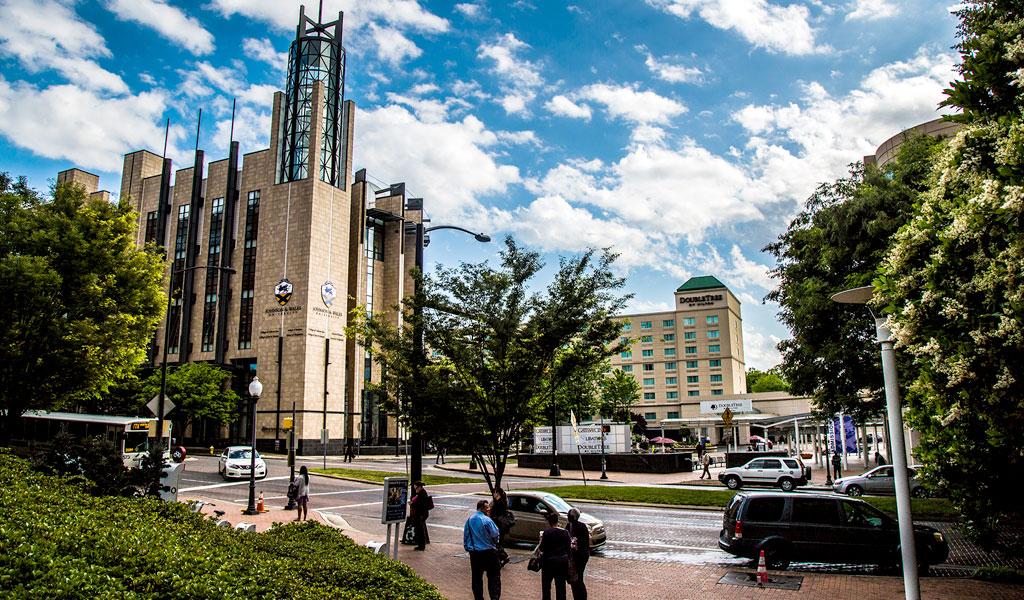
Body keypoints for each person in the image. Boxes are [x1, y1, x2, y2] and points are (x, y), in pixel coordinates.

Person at [464, 499, 501, 600]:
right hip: (489, 553)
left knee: (476, 578)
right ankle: (494, 597)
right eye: (487, 508)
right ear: (481, 508)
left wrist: (468, 548)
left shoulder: (469, 520)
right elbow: (495, 534)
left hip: (475, 553)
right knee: (494, 577)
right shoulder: (487, 520)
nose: (488, 509)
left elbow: (466, 536)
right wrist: (494, 543)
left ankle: (478, 597)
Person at [538, 511, 571, 600]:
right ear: (557, 521)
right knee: (561, 587)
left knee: (546, 586)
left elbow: (542, 548)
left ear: (549, 522)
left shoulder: (547, 532)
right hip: (561, 562)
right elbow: (569, 548)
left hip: (548, 562)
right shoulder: (565, 533)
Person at [566, 508, 590, 600]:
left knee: (576, 578)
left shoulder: (573, 527)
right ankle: (580, 596)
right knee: (578, 578)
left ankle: (579, 597)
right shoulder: (580, 526)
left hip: (577, 557)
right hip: (580, 556)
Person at [409, 480, 432, 550]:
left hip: (420, 515)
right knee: (420, 530)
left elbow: (419, 505)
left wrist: (412, 504)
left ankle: (421, 545)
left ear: (419, 487)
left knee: (420, 530)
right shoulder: (422, 493)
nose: (416, 490)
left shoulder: (422, 494)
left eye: (416, 488)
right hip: (421, 514)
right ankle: (421, 544)